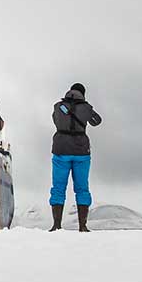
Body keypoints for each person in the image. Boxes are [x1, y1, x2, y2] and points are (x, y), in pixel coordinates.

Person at [50, 83, 103, 233]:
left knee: (58, 187)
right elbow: (96, 121)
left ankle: (56, 225)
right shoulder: (86, 108)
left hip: (61, 150)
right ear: (83, 94)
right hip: (81, 152)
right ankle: (83, 226)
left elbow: (56, 120)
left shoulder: (57, 106)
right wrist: (86, 110)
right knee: (82, 188)